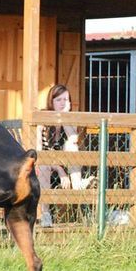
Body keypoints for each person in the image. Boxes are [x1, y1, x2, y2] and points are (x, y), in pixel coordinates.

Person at [36, 84, 95, 227]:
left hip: (66, 161)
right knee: (44, 167)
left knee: (71, 146)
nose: (62, 103)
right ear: (51, 102)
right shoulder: (43, 119)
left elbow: (73, 139)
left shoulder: (70, 119)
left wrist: (65, 117)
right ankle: (45, 214)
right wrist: (60, 170)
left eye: (66, 100)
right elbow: (39, 152)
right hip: (45, 163)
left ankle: (77, 184)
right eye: (58, 100)